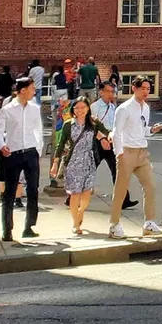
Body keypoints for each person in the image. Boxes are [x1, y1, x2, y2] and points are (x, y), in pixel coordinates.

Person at [108, 77, 162, 239]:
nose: (146, 92)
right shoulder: (124, 109)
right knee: (121, 190)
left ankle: (149, 222)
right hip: (127, 152)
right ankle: (114, 224)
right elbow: (116, 132)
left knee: (151, 186)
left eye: (148, 89)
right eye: (143, 88)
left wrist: (152, 130)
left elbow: (142, 129)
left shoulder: (145, 108)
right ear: (134, 88)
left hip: (142, 152)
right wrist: (119, 153)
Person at [0, 77, 44, 241]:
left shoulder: (34, 109)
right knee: (10, 193)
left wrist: (38, 149)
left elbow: (38, 130)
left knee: (33, 190)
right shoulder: (7, 109)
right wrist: (2, 145)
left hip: (30, 152)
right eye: (32, 89)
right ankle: (7, 229)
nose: (34, 92)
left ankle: (29, 226)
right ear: (23, 90)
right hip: (13, 153)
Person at [52, 97, 104, 237]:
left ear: (88, 109)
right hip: (73, 162)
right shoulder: (68, 125)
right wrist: (55, 163)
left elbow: (106, 131)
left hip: (89, 161)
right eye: (77, 108)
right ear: (73, 110)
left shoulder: (93, 123)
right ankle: (76, 224)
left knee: (87, 194)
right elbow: (60, 144)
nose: (80, 110)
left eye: (83, 107)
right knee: (75, 194)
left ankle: (80, 212)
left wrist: (107, 138)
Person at [89, 83, 136, 210]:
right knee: (90, 169)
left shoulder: (113, 107)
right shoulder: (94, 107)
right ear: (101, 92)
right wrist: (102, 138)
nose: (111, 94)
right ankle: (72, 198)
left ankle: (124, 199)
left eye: (112, 92)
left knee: (118, 171)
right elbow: (92, 126)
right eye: (108, 91)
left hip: (111, 141)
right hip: (98, 142)